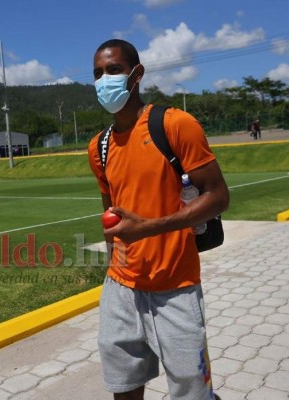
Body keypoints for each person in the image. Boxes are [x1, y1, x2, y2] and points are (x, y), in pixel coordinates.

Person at [87, 39, 229, 400]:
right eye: (98, 73)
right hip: (121, 288)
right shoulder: (99, 147)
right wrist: (116, 262)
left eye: (114, 70)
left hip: (175, 286)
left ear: (137, 74)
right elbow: (112, 217)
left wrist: (148, 229)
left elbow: (218, 197)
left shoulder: (175, 125)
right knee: (123, 385)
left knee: (193, 392)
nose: (105, 79)